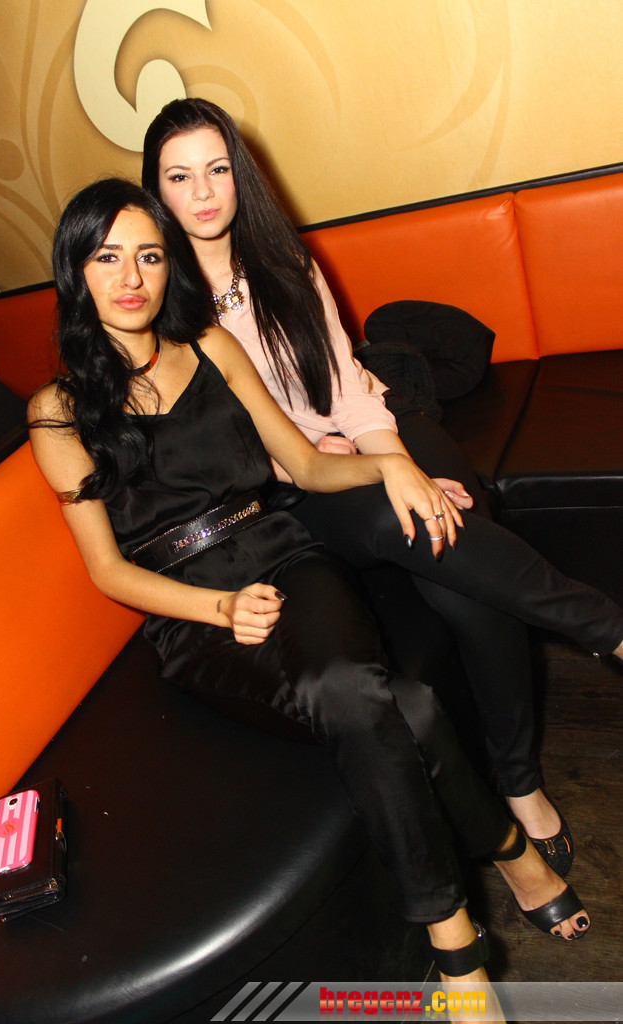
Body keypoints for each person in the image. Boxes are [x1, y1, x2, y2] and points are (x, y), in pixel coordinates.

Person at [29, 180, 590, 1013]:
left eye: (148, 255)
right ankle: (508, 847)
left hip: (285, 555)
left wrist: (392, 464)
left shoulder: (210, 346)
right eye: (106, 257)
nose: (131, 277)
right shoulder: (58, 413)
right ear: (75, 271)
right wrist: (220, 610)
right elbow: (107, 571)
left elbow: (305, 464)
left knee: (342, 687)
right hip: (191, 612)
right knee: (406, 705)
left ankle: (454, 949)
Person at [141, 98, 623, 877]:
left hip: (369, 425)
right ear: (156, 190)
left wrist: (395, 460)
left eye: (217, 169)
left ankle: (518, 779)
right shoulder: (158, 305)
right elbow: (207, 444)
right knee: (410, 524)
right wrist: (309, 455)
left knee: (460, 570)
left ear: (240, 175)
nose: (201, 192)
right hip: (288, 481)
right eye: (178, 176)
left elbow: (343, 383)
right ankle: (603, 626)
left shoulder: (284, 264)